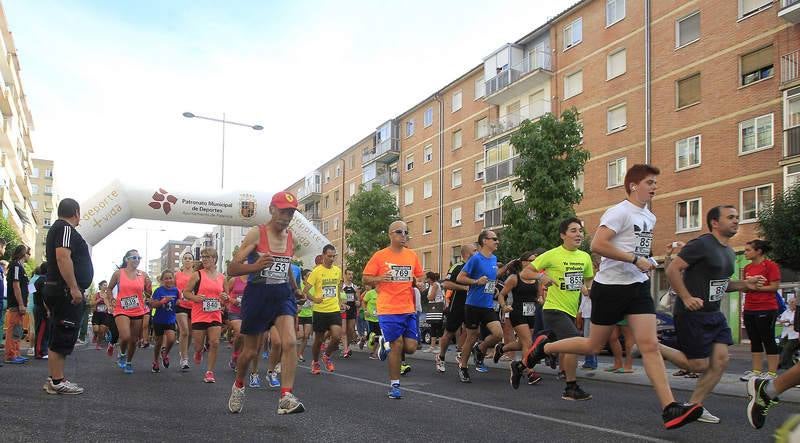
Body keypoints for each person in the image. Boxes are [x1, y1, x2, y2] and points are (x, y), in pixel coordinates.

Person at [524, 164, 704, 429]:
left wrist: (654, 259)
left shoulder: (649, 217)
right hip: (610, 287)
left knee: (649, 345)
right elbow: (598, 244)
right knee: (591, 346)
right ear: (633, 185)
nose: (655, 187)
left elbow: (638, 251)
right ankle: (544, 348)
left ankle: (669, 407)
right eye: (650, 182)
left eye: (655, 182)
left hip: (637, 286)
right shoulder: (619, 212)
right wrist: (634, 258)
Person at [659, 206, 764, 424]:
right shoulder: (702, 243)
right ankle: (651, 345)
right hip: (692, 314)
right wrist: (686, 297)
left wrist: (746, 284)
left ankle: (694, 406)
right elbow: (672, 270)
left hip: (714, 315)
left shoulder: (727, 251)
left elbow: (722, 285)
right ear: (715, 222)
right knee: (696, 366)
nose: (736, 221)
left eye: (737, 217)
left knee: (721, 361)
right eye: (731, 217)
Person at [227, 191, 304, 415]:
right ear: (272, 209)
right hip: (258, 295)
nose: (286, 216)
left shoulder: (291, 238)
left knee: (290, 342)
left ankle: (285, 396)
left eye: (290, 212)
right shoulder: (256, 234)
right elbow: (232, 269)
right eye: (283, 211)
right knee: (250, 351)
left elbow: (286, 265)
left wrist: (295, 288)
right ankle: (239, 384)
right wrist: (255, 266)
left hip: (282, 295)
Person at [513, 218, 594, 400]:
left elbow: (588, 280)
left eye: (580, 231)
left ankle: (524, 363)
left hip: (571, 310)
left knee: (561, 345)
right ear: (562, 235)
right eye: (573, 231)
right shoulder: (552, 254)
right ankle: (571, 387)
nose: (578, 234)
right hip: (553, 309)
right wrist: (541, 277)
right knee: (574, 342)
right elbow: (526, 273)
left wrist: (588, 289)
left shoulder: (585, 257)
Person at [362, 220, 424, 399]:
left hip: (408, 308)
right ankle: (395, 385)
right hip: (388, 308)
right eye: (399, 232)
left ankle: (384, 342)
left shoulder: (411, 255)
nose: (403, 235)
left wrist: (418, 283)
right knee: (397, 345)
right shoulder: (380, 256)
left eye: (406, 232)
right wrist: (381, 278)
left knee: (411, 347)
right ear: (390, 234)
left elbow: (419, 276)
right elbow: (366, 278)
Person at [43, 198, 94, 395]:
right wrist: (73, 287)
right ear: (76, 212)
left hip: (59, 289)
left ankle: (55, 377)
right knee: (64, 332)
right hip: (64, 290)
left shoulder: (59, 229)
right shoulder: (65, 229)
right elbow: (62, 256)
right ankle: (57, 381)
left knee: (61, 331)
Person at [455, 230, 504, 384]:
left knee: (498, 334)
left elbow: (490, 278)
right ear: (484, 241)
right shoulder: (475, 259)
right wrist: (476, 282)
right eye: (494, 239)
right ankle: (463, 367)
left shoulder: (494, 259)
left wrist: (493, 287)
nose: (497, 241)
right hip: (473, 305)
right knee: (471, 336)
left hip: (487, 305)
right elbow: (460, 278)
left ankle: (480, 348)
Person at [496, 250, 544, 385]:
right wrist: (504, 306)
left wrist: (541, 300)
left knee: (522, 343)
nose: (534, 262)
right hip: (517, 312)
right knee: (528, 342)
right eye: (531, 260)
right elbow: (501, 294)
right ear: (523, 262)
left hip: (531, 312)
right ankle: (529, 372)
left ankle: (502, 349)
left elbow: (539, 296)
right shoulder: (514, 278)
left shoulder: (536, 278)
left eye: (536, 260)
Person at [740, 239, 782, 382]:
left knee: (768, 339)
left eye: (748, 250)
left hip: (766, 307)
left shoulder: (770, 266)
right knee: (754, 340)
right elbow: (744, 287)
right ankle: (756, 371)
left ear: (758, 251)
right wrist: (747, 286)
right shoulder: (747, 268)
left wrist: (756, 288)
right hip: (749, 308)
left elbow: (774, 287)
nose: (745, 252)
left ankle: (772, 373)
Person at [183, 248, 227, 383]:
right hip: (199, 314)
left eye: (207, 256)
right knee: (198, 345)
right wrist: (195, 298)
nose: (205, 259)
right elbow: (186, 293)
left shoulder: (222, 277)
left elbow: (226, 296)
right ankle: (198, 351)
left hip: (215, 314)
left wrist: (224, 297)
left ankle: (209, 372)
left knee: (214, 343)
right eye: (203, 256)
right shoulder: (197, 275)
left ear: (215, 258)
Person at [106, 249, 152, 374]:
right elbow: (109, 288)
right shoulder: (118, 273)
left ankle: (129, 362)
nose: (136, 260)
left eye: (138, 258)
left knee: (133, 340)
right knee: (125, 336)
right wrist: (111, 299)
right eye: (134, 257)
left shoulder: (143, 275)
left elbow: (148, 293)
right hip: (121, 308)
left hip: (137, 309)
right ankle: (121, 353)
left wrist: (149, 287)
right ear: (127, 259)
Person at [435, 244, 477, 373]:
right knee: (449, 332)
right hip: (458, 304)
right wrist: (464, 288)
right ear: (467, 253)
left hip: (473, 304)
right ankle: (441, 356)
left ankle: (461, 352)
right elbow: (446, 284)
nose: (477, 253)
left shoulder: (477, 267)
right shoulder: (458, 266)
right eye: (475, 250)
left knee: (474, 332)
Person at [304, 244, 344, 375]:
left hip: (333, 309)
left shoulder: (337, 270)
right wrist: (314, 299)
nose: (332, 259)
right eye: (329, 256)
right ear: (323, 256)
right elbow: (306, 290)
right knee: (318, 340)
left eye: (334, 256)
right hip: (320, 310)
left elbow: (337, 287)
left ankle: (326, 356)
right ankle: (315, 362)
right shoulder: (316, 271)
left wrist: (339, 301)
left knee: (337, 336)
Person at [4, 244, 31, 364]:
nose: (29, 256)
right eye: (28, 253)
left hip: (20, 304)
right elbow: (16, 285)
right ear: (23, 254)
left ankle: (16, 353)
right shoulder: (15, 265)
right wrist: (20, 303)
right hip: (16, 304)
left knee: (18, 330)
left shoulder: (20, 267)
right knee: (13, 328)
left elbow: (25, 287)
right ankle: (11, 355)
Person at [149, 270, 179, 373]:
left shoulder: (176, 291)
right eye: (166, 278)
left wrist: (179, 302)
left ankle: (165, 353)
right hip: (158, 320)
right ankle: (155, 361)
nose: (168, 280)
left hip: (170, 319)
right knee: (158, 342)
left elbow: (179, 301)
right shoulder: (158, 291)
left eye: (170, 278)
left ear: (173, 279)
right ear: (162, 280)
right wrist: (162, 301)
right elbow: (153, 305)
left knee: (171, 339)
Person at [174, 252, 196, 372]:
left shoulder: (197, 275)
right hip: (180, 305)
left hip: (193, 305)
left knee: (191, 333)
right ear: (182, 261)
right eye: (185, 258)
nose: (187, 260)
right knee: (185, 332)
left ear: (193, 261)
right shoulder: (177, 275)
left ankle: (184, 352)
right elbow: (172, 288)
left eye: (189, 258)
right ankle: (184, 358)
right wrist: (176, 298)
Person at [226, 274, 246, 370]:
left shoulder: (253, 281)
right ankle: (235, 355)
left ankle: (238, 358)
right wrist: (231, 300)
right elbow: (224, 294)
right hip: (234, 312)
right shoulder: (234, 280)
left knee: (245, 337)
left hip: (248, 313)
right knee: (240, 333)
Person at [340, 269, 360, 358]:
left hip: (352, 310)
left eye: (352, 274)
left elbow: (358, 300)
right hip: (343, 310)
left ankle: (346, 348)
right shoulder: (341, 286)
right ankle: (344, 348)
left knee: (351, 330)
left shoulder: (355, 287)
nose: (351, 276)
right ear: (345, 275)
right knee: (342, 331)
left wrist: (357, 302)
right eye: (349, 274)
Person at [33, 262, 50, 359]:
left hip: (36, 306)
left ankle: (40, 350)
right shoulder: (45, 280)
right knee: (42, 330)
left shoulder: (37, 280)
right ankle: (41, 352)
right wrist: (48, 310)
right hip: (42, 308)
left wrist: (35, 298)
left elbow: (31, 291)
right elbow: (45, 297)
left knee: (39, 329)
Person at [296, 269, 313, 362]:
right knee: (300, 335)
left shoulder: (312, 287)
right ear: (304, 277)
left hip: (309, 314)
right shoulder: (300, 285)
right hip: (299, 313)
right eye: (309, 275)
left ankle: (300, 354)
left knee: (306, 336)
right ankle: (288, 345)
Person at [424, 272, 443, 353]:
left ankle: (440, 347)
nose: (426, 280)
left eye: (427, 278)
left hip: (436, 306)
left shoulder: (435, 285)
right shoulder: (432, 285)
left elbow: (431, 297)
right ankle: (432, 346)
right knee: (433, 327)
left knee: (438, 326)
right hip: (433, 307)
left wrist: (428, 297)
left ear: (430, 278)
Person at [361, 282, 381, 358]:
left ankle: (373, 353)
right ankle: (363, 339)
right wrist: (365, 310)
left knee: (378, 336)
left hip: (379, 318)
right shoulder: (370, 293)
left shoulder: (383, 294)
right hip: (370, 317)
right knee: (371, 334)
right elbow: (363, 301)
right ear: (376, 285)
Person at [778, 297, 798, 370]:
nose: (791, 304)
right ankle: (781, 363)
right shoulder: (786, 312)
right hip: (785, 333)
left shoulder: (798, 312)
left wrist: (788, 321)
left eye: (793, 302)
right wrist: (787, 322)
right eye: (790, 302)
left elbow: (795, 322)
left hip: (795, 335)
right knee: (780, 348)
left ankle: (787, 365)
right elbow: (781, 321)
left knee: (787, 348)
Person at [91, 280, 110, 351]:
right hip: (97, 314)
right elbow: (92, 303)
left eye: (106, 285)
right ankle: (95, 335)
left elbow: (110, 304)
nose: (106, 286)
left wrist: (109, 306)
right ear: (101, 286)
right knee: (96, 329)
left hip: (105, 314)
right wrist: (97, 301)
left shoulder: (107, 295)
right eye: (104, 285)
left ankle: (98, 345)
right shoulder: (96, 294)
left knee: (102, 331)